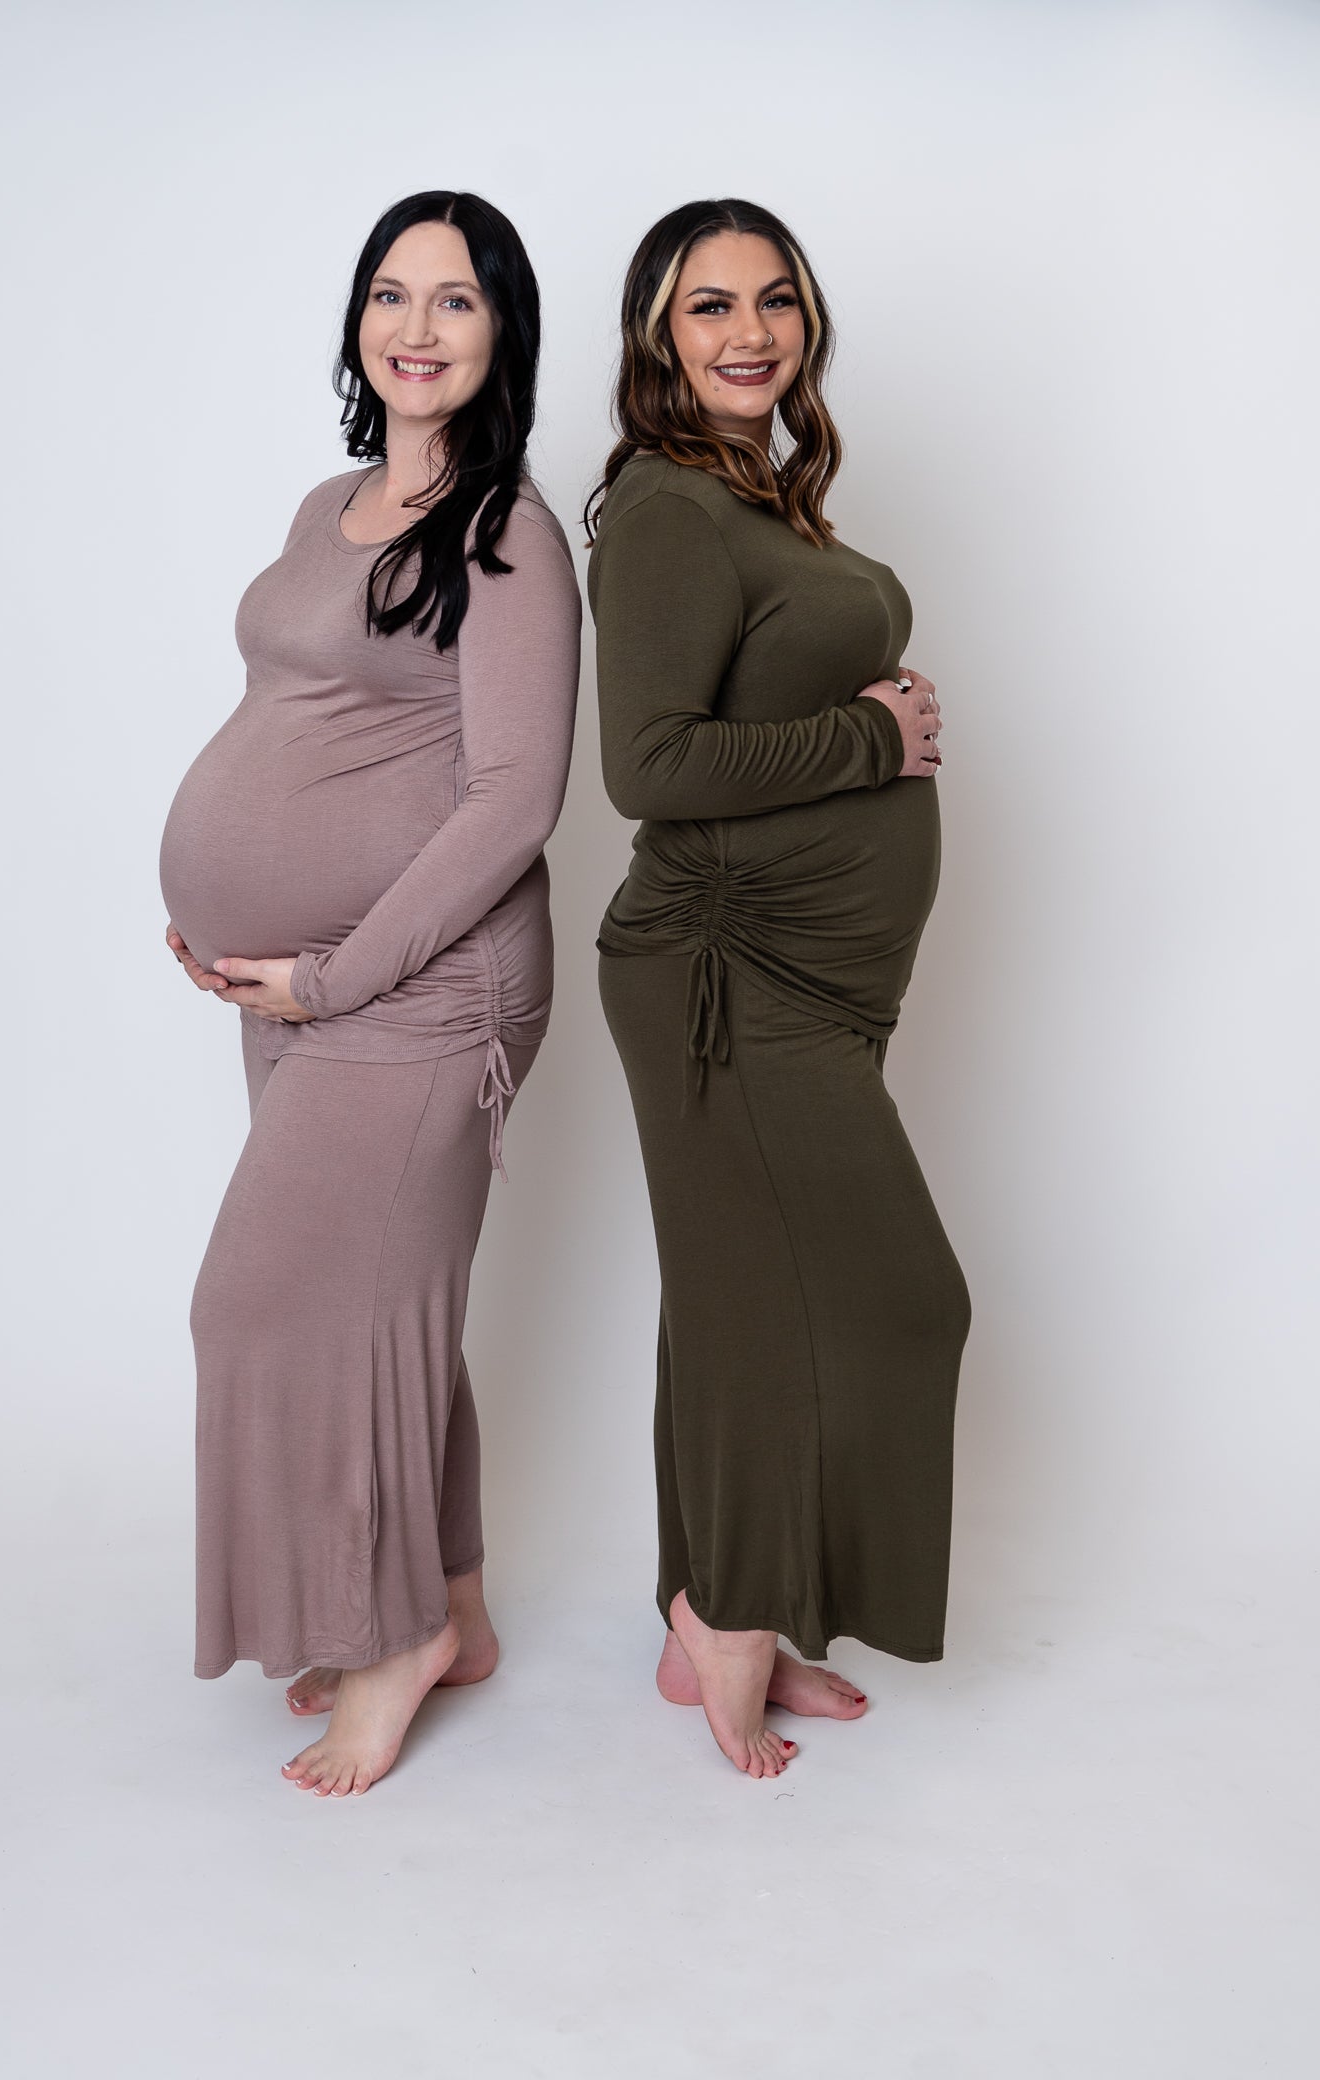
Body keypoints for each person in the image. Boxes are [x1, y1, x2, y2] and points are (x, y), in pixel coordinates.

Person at [160, 190, 580, 1797]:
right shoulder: (324, 505)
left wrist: (331, 969)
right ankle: (450, 1604)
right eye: (390, 293)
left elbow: (513, 801)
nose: (416, 327)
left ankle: (385, 1635)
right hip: (296, 990)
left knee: (261, 1304)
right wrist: (225, 915)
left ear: (501, 334)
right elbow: (301, 725)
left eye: (456, 300)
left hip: (423, 991)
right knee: (373, 1303)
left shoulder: (506, 536)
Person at [588, 198, 971, 1781]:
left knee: (734, 1307)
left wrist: (864, 733)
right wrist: (869, 737)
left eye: (775, 300)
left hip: (804, 976)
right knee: (895, 1299)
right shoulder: (670, 509)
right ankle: (732, 1618)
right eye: (709, 306)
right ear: (657, 338)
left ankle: (705, 1610)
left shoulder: (764, 496)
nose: (749, 332)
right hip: (722, 977)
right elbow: (646, 766)